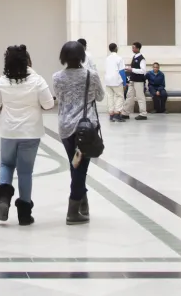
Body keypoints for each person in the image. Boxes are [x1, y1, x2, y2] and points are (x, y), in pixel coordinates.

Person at [0, 45, 54, 226]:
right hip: (31, 131)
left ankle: (3, 199)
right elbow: (49, 104)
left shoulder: (2, 81)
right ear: (27, 61)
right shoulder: (37, 80)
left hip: (9, 131)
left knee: (6, 164)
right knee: (25, 172)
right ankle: (24, 214)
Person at [53, 40, 104, 224]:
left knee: (75, 165)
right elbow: (100, 96)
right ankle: (73, 210)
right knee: (80, 168)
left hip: (66, 127)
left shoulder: (57, 77)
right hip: (86, 127)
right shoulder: (91, 75)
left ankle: (82, 204)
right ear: (82, 56)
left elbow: (59, 97)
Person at [124, 42, 148, 120]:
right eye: (132, 47)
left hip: (139, 81)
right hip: (132, 80)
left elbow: (143, 71)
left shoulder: (142, 59)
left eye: (134, 47)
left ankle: (143, 114)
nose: (132, 49)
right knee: (129, 96)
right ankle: (125, 113)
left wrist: (132, 69)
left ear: (138, 48)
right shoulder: (134, 57)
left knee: (140, 97)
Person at [105, 42, 126, 121]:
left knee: (110, 97)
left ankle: (111, 114)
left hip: (108, 80)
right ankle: (117, 113)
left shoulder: (107, 58)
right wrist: (124, 82)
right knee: (120, 96)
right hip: (116, 80)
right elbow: (121, 71)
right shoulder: (119, 58)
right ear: (116, 48)